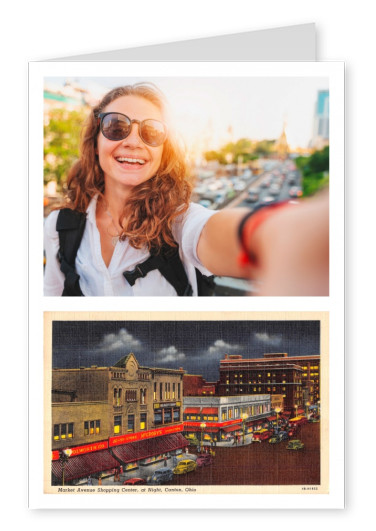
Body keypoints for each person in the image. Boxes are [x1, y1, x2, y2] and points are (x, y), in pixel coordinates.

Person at [44, 82, 329, 297]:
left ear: (163, 151)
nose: (133, 142)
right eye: (116, 126)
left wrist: (277, 233)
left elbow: (211, 232)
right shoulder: (59, 227)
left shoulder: (177, 222)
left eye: (151, 131)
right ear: (95, 141)